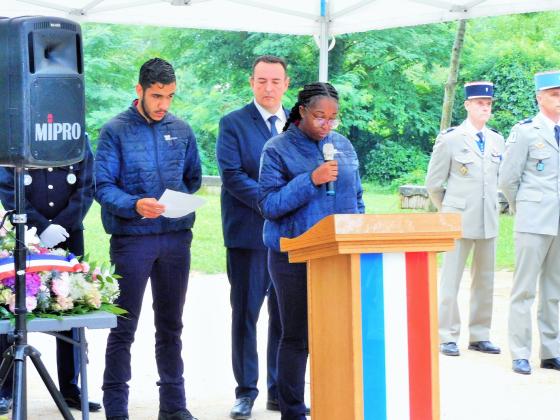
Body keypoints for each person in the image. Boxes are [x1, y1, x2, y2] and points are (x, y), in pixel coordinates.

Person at [95, 58, 202, 420]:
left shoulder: (182, 129)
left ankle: (174, 407)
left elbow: (193, 177)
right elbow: (102, 187)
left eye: (170, 96)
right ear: (139, 90)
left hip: (175, 239)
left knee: (171, 325)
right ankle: (116, 410)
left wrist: (178, 203)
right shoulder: (114, 131)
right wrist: (134, 204)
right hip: (132, 240)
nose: (163, 105)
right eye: (157, 96)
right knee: (123, 325)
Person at [258, 82, 364, 419]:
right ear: (302, 111)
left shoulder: (343, 146)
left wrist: (359, 232)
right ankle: (292, 411)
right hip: (294, 256)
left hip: (339, 255)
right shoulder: (276, 149)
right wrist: (311, 179)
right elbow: (269, 204)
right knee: (297, 336)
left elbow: (357, 197)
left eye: (333, 119)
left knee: (337, 334)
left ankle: (333, 406)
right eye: (320, 117)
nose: (326, 125)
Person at [0, 138, 99, 414]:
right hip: (24, 235)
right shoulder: (17, 131)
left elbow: (86, 185)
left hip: (68, 235)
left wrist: (61, 226)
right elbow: (8, 186)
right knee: (13, 304)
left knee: (70, 307)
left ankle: (69, 388)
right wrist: (40, 227)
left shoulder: (76, 136)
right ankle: (4, 389)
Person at [216, 55, 287, 420]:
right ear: (252, 82)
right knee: (246, 314)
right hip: (248, 236)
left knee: (284, 316)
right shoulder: (233, 123)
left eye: (275, 81)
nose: (268, 88)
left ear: (286, 84)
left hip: (290, 238)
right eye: (262, 81)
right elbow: (231, 175)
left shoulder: (296, 124)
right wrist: (272, 202)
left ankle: (280, 391)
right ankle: (246, 392)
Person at [426, 81, 504, 357]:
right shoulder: (450, 139)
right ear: (468, 105)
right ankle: (447, 335)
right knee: (451, 279)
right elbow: (434, 183)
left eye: (488, 103)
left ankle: (480, 335)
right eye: (480, 103)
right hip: (457, 218)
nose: (485, 107)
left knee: (485, 280)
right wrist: (447, 211)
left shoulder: (497, 139)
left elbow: (498, 180)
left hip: (488, 219)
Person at [499, 70, 560, 375]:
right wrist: (521, 207)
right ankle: (520, 352)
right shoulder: (525, 131)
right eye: (554, 94)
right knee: (524, 289)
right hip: (533, 219)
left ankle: (551, 351)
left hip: (559, 222)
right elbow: (508, 179)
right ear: (540, 97)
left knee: (554, 289)